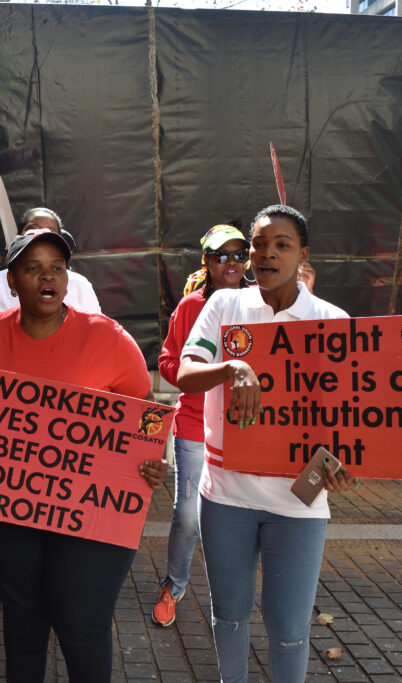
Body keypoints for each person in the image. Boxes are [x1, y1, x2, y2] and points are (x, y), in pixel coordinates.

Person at [0, 228, 168, 682]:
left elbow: (147, 419)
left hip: (92, 511)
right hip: (12, 505)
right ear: (10, 281)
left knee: (80, 620)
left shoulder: (109, 338)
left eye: (57, 267)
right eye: (32, 269)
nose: (47, 277)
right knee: (22, 614)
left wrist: (152, 461)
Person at [177, 205, 356, 683]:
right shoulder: (224, 306)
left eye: (282, 245)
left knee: (289, 628)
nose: (266, 254)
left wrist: (343, 462)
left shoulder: (331, 321)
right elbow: (185, 373)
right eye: (259, 244)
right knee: (229, 616)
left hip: (298, 506)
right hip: (226, 497)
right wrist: (231, 367)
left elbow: (350, 417)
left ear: (303, 255)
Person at [151, 224, 249, 627]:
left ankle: (230, 597)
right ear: (206, 262)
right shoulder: (191, 307)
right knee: (188, 516)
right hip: (194, 423)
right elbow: (168, 361)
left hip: (246, 427)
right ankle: (174, 586)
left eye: (238, 254)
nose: (231, 263)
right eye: (220, 255)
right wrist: (206, 373)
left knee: (239, 516)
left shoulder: (262, 302)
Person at [0, 208, 101, 328]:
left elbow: (97, 331)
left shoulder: (80, 284)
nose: (40, 234)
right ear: (11, 280)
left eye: (50, 231)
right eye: (32, 229)